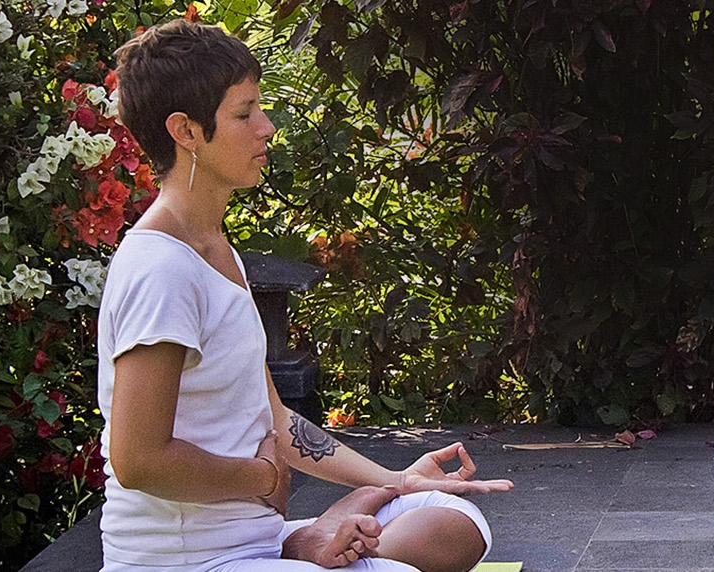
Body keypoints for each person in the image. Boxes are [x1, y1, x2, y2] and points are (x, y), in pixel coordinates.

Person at [96, 19, 512, 572]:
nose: (266, 127)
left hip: (257, 542)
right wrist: (263, 477)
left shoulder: (213, 248)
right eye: (244, 113)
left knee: (455, 520)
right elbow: (139, 461)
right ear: (186, 131)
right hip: (186, 563)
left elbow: (273, 417)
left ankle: (317, 540)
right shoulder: (161, 270)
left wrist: (395, 480)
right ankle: (318, 544)